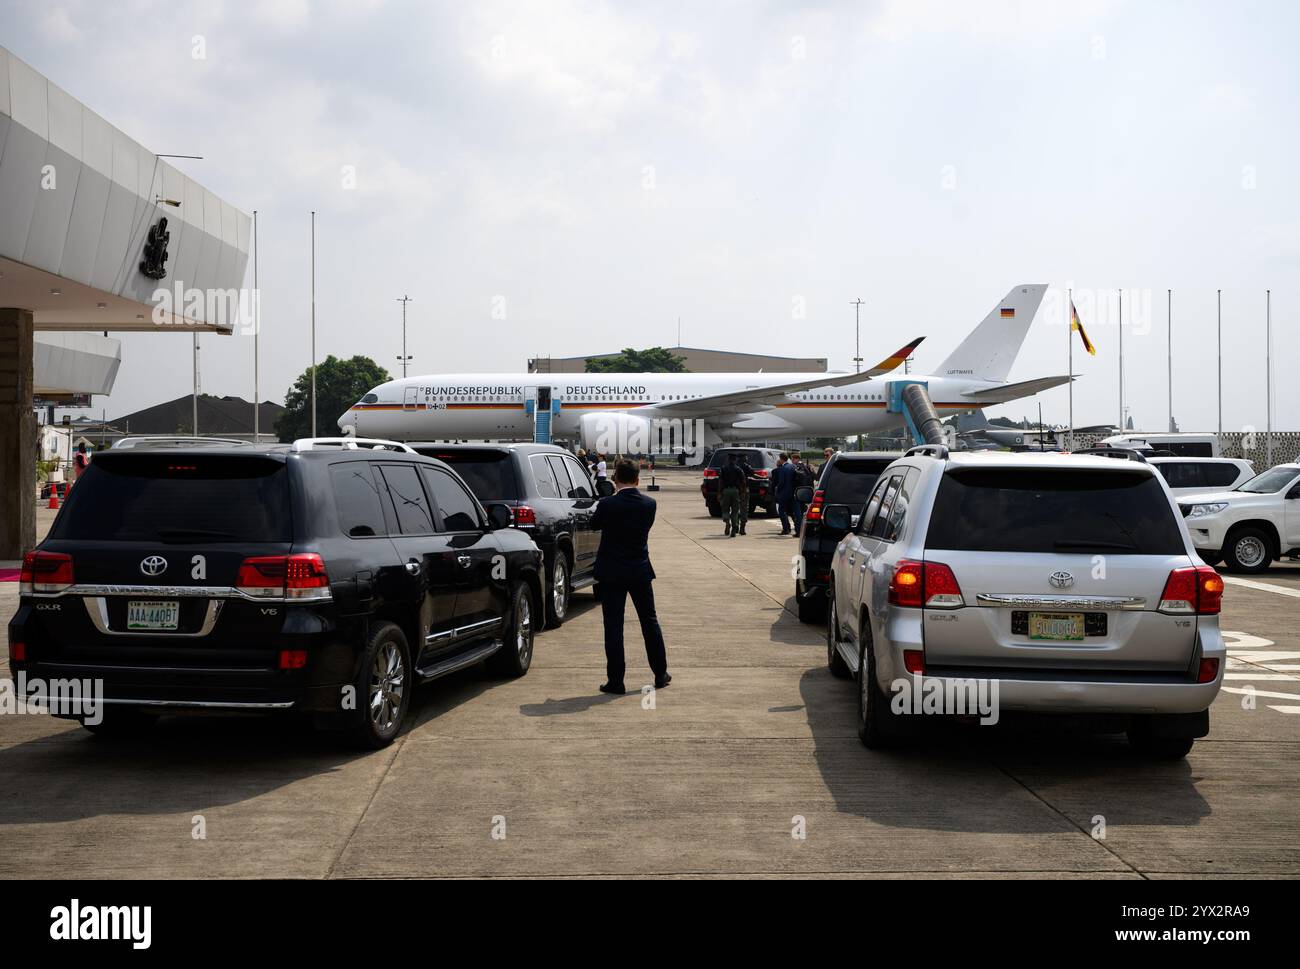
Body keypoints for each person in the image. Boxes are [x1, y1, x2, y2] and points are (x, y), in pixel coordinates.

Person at [590, 459, 670, 694]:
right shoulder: (649, 504)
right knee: (649, 622)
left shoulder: (607, 504)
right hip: (640, 570)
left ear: (615, 479)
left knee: (614, 627)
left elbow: (595, 524)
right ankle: (660, 673)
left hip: (612, 573)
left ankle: (616, 680)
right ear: (638, 479)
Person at [718, 453, 746, 537]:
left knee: (725, 508)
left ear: (728, 460)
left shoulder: (723, 469)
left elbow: (720, 482)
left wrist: (719, 492)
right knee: (735, 510)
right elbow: (743, 481)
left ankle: (727, 522)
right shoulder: (738, 469)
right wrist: (743, 492)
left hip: (726, 491)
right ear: (735, 460)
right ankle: (734, 527)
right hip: (735, 491)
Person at [772, 452, 798, 535]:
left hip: (784, 493)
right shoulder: (793, 466)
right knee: (794, 511)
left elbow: (781, 482)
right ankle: (797, 528)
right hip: (793, 493)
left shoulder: (783, 468)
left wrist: (778, 490)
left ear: (781, 459)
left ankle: (786, 528)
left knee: (781, 511)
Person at [733, 452, 756, 536]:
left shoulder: (734, 466)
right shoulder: (746, 466)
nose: (747, 458)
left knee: (735, 509)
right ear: (743, 458)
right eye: (746, 457)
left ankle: (735, 527)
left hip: (735, 489)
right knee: (744, 509)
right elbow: (753, 473)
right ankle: (742, 528)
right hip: (744, 490)